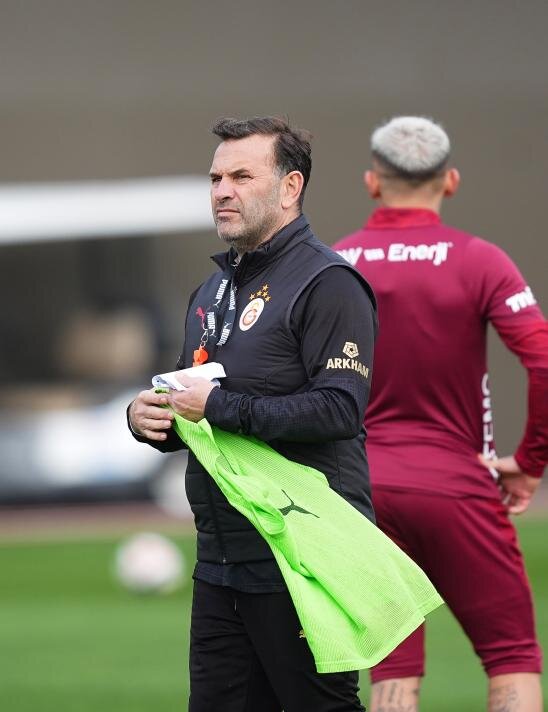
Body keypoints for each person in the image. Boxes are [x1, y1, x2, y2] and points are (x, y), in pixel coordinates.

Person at [128, 116, 378, 712]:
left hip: (302, 551)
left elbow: (339, 409)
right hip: (221, 557)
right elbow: (194, 405)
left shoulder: (329, 283)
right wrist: (150, 419)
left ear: (290, 187)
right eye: (216, 178)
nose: (222, 191)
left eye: (242, 176)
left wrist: (218, 406)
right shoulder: (210, 292)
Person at [333, 116, 548, 712]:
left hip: (361, 490)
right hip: (457, 485)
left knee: (393, 670)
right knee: (511, 657)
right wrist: (531, 462)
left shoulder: (335, 264)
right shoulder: (481, 260)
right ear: (451, 180)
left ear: (372, 182)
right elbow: (543, 362)